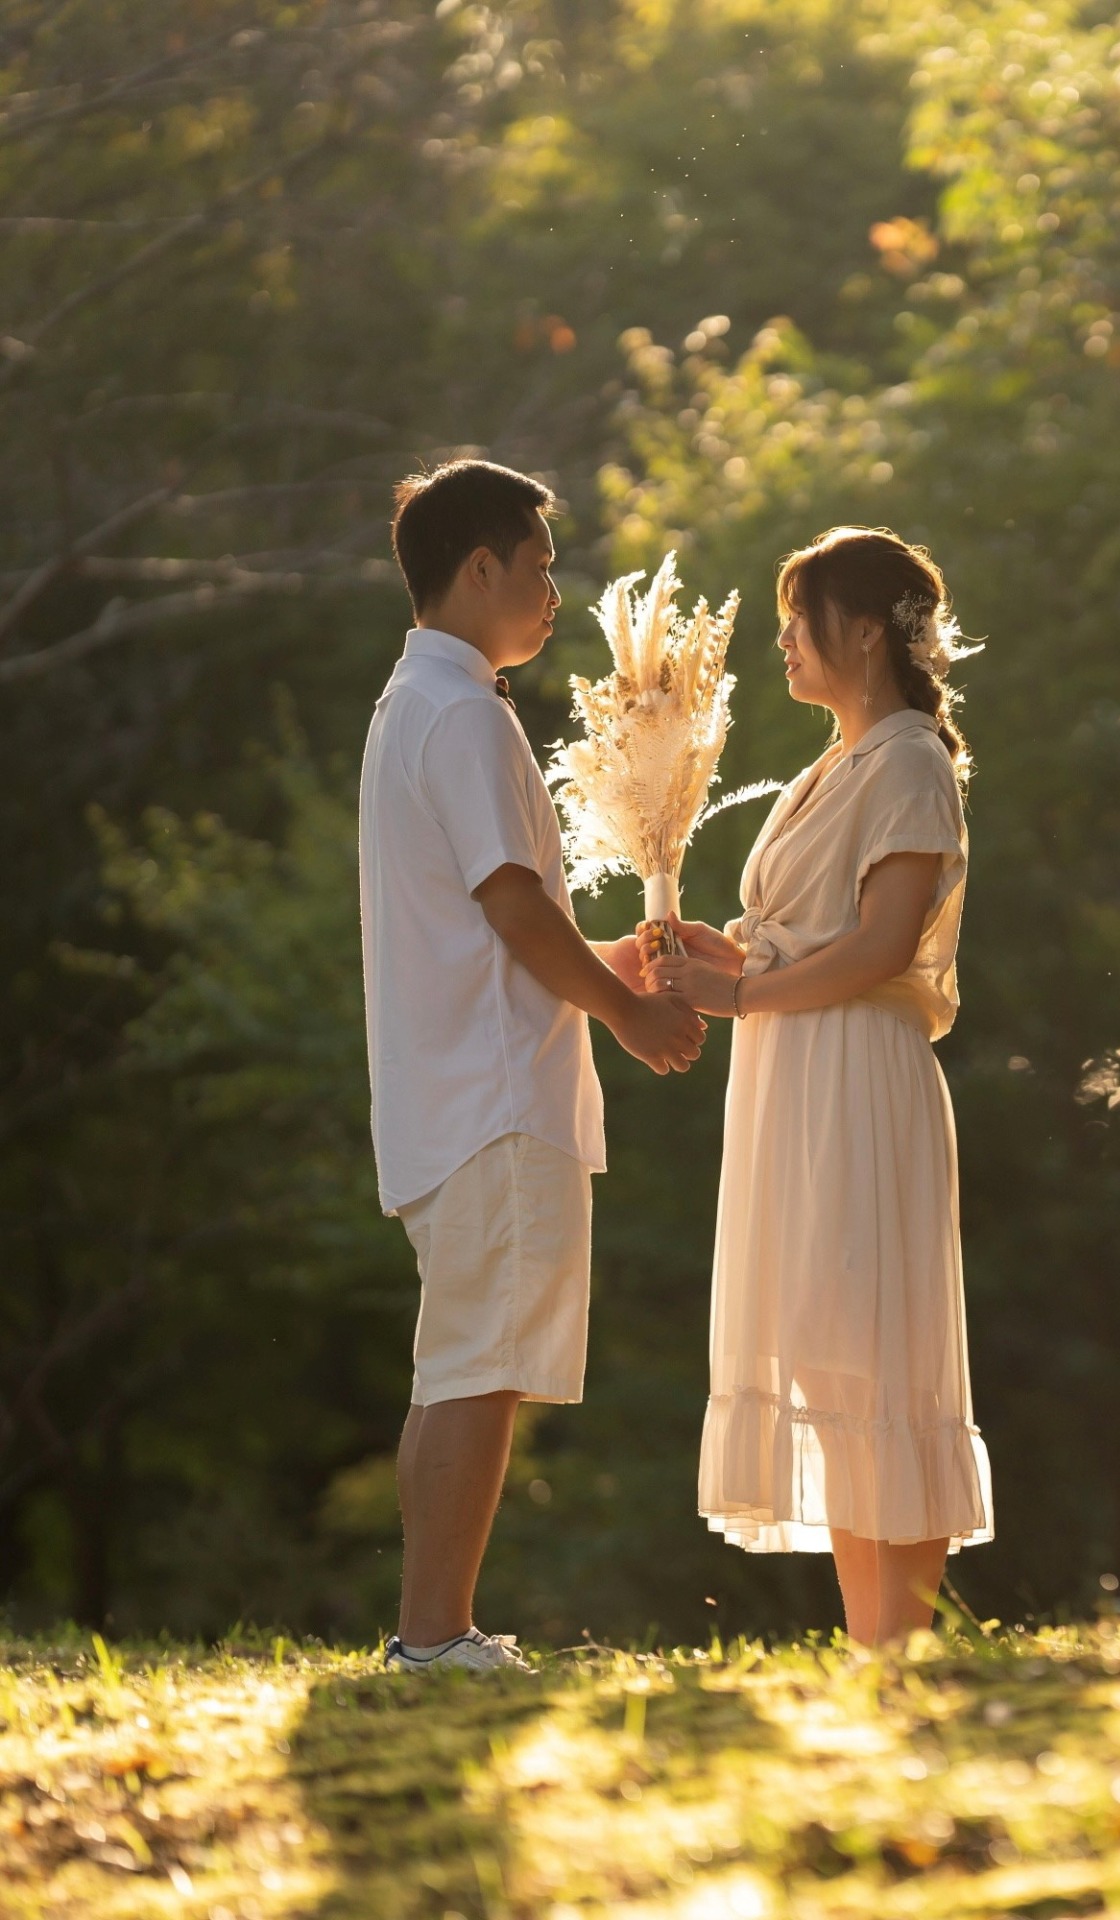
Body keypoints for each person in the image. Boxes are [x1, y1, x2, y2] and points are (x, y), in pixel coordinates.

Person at [360, 458, 705, 1673]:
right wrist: (625, 1011)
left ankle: (428, 1634)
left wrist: (612, 955)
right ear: (480, 566)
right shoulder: (461, 712)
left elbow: (496, 916)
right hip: (494, 1096)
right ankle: (436, 1640)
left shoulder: (420, 703)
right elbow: (509, 906)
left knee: (458, 1364)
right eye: (542, 565)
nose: (556, 591)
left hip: (456, 1088)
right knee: (478, 1370)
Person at [644, 525, 992, 1645]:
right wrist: (721, 955)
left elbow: (884, 944)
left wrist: (740, 997)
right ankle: (869, 1644)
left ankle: (907, 1644)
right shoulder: (830, 767)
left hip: (858, 1079)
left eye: (802, 618)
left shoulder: (908, 761)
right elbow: (806, 939)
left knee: (880, 1349)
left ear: (866, 629)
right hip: (792, 1075)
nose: (785, 640)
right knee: (829, 1351)